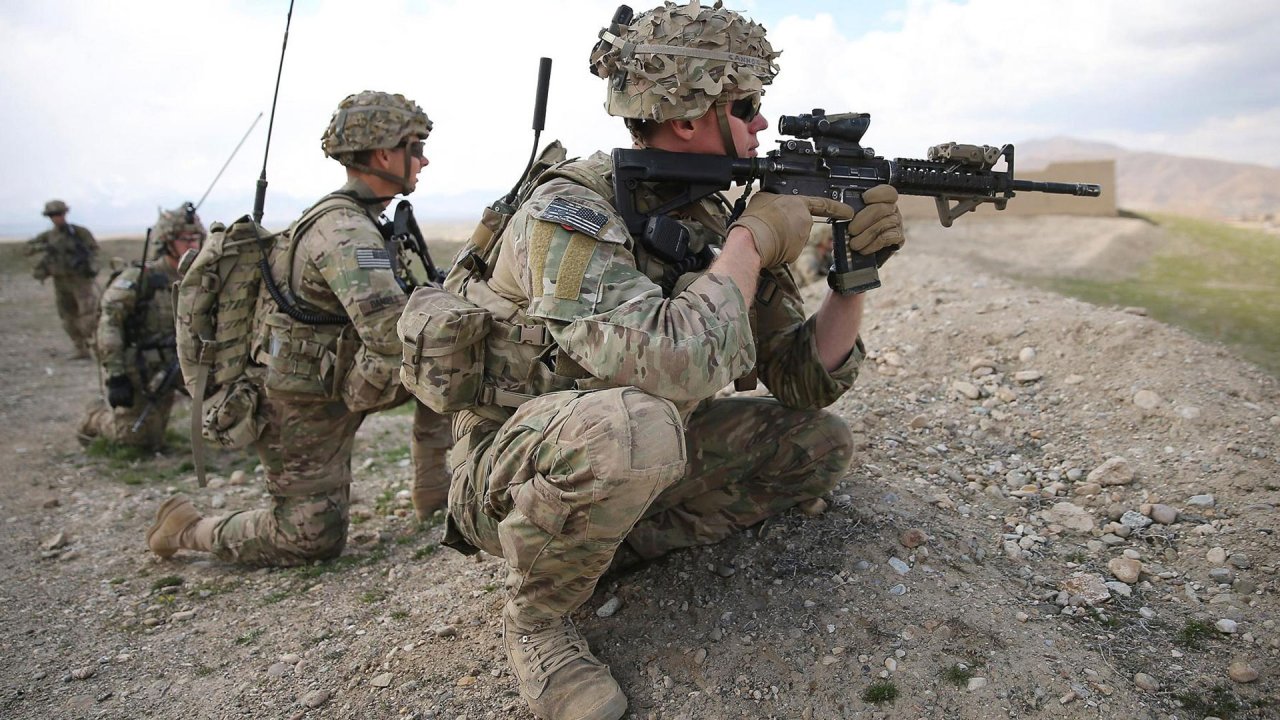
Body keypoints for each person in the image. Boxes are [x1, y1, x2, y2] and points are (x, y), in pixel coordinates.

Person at [411, 3, 906, 719]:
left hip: (640, 448)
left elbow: (802, 380)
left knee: (816, 446)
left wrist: (853, 280)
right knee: (633, 426)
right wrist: (750, 243)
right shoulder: (568, 214)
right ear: (689, 116)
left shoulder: (711, 212)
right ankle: (537, 623)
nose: (763, 123)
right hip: (515, 472)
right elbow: (675, 364)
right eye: (747, 106)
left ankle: (602, 543)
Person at [147, 91, 451, 566]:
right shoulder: (345, 230)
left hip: (341, 379)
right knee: (309, 539)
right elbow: (392, 332)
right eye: (416, 147)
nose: (424, 160)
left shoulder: (362, 218)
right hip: (300, 403)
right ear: (383, 154)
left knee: (450, 356)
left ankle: (435, 493)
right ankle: (187, 527)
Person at [78, 204, 203, 450]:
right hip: (143, 367)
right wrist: (117, 375)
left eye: (195, 238)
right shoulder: (141, 278)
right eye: (184, 239)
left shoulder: (201, 277)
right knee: (137, 440)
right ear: (167, 242)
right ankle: (95, 418)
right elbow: (109, 322)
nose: (192, 245)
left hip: (183, 361)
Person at [26, 199, 100, 358]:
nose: (57, 217)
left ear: (65, 214)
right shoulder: (49, 236)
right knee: (67, 316)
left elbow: (94, 250)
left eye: (59, 214)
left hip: (80, 280)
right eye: (53, 215)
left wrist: (89, 265)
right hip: (60, 280)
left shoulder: (79, 232)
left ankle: (96, 347)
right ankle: (80, 348)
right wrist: (44, 248)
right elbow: (28, 248)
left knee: (88, 315)